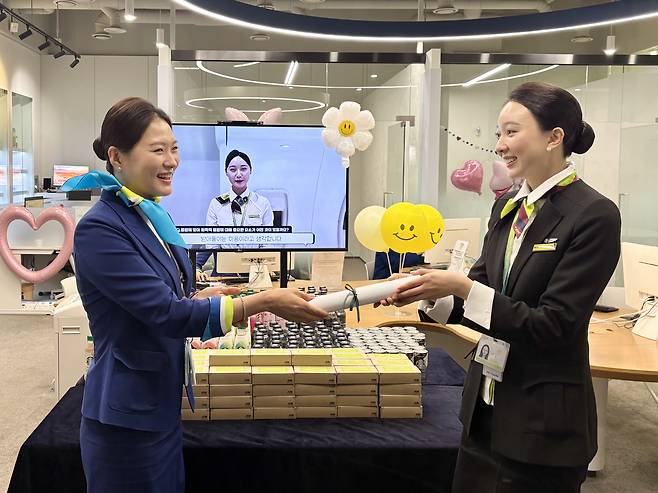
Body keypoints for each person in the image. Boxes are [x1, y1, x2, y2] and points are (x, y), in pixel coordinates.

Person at [69, 97, 327, 493]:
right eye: (158, 150)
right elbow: (164, 312)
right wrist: (264, 301)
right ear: (117, 157)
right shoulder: (100, 228)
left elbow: (167, 294)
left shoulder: (148, 215)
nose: (171, 161)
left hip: (158, 404)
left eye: (174, 149)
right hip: (126, 418)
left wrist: (209, 294)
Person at [377, 82, 621, 492]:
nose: (500, 145)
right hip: (483, 412)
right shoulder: (508, 207)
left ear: (554, 137)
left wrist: (462, 288)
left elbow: (554, 325)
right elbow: (483, 293)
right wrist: (432, 291)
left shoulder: (593, 214)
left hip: (542, 425)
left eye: (511, 132)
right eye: (498, 133)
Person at [196, 149, 274, 279]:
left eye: (243, 169)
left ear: (250, 170)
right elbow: (212, 242)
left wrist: (267, 267)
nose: (238, 174)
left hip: (255, 273)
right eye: (233, 170)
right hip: (224, 274)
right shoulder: (216, 204)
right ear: (226, 172)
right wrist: (196, 267)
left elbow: (267, 242)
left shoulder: (262, 203)